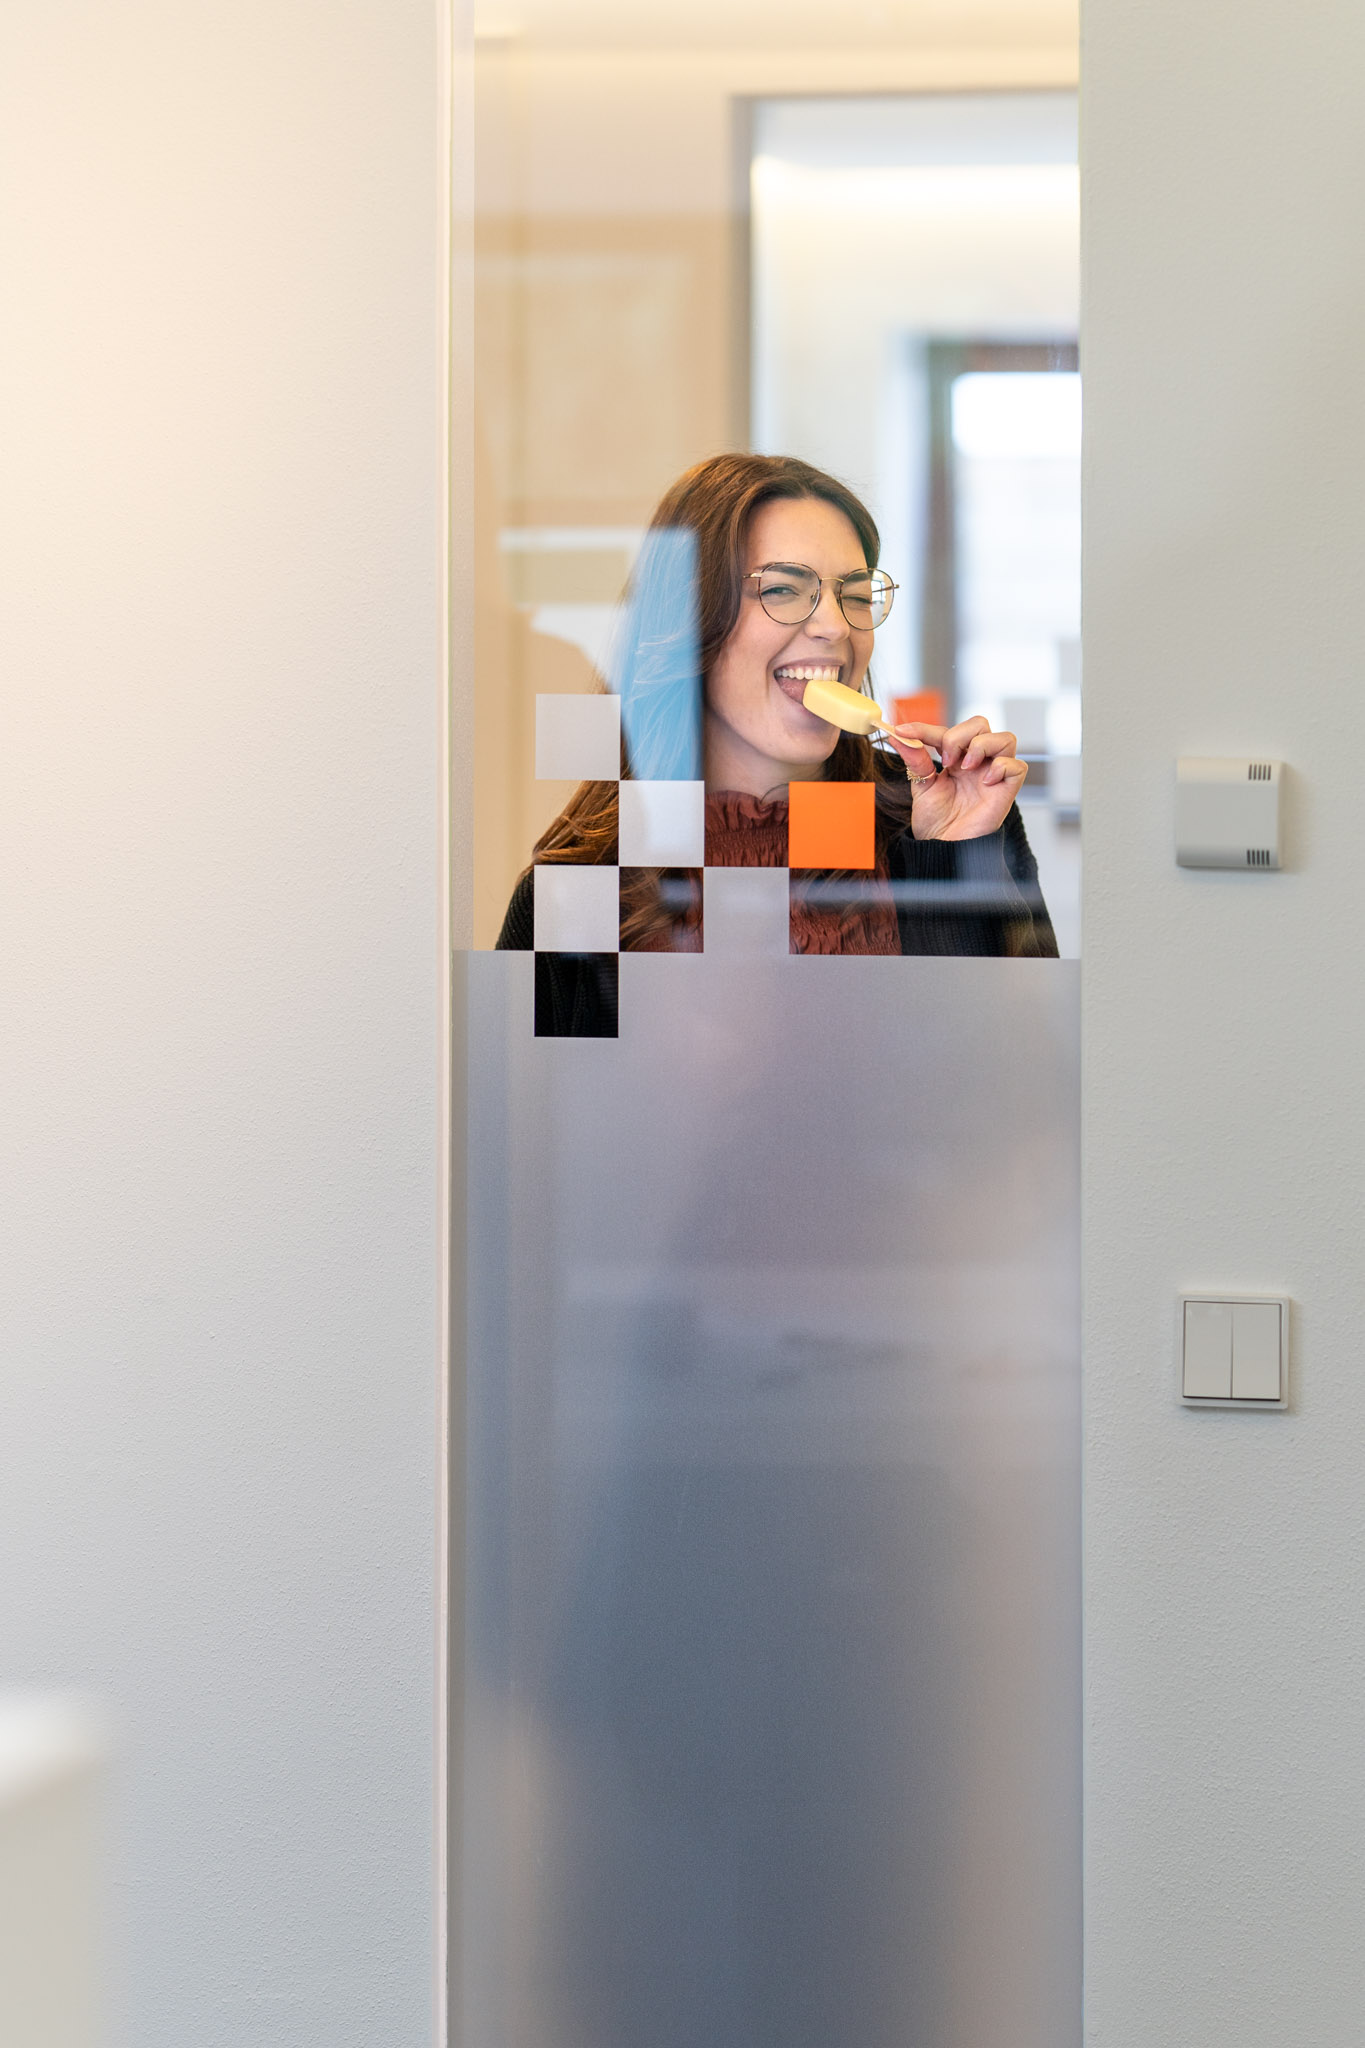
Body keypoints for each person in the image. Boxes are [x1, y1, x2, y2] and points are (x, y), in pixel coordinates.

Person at [497, 452, 1056, 1028]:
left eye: (856, 595)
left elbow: (1018, 1062)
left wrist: (952, 856)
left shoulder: (930, 819)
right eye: (784, 589)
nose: (836, 626)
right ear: (689, 618)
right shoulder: (585, 882)